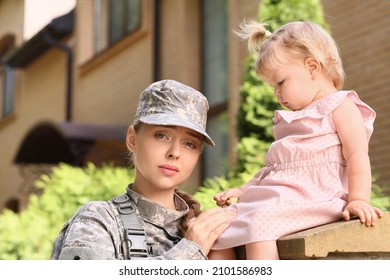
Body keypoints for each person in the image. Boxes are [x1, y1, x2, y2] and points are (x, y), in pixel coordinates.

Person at [210, 20, 384, 260]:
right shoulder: (291, 120)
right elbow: (274, 169)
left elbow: (357, 155)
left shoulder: (341, 105)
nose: (277, 94)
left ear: (312, 67)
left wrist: (358, 199)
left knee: (259, 225)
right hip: (280, 198)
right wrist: (242, 190)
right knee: (217, 232)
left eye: (280, 82)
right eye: (273, 87)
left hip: (317, 197)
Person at [51, 79, 237, 260]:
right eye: (162, 135)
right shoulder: (98, 221)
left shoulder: (205, 229)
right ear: (132, 139)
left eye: (190, 144)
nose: (175, 152)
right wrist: (190, 253)